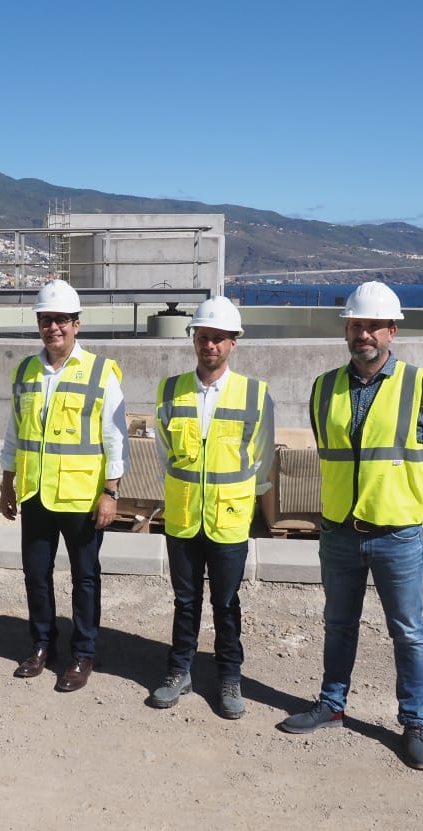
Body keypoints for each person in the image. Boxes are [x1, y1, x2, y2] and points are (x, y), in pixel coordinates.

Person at [277, 281, 423, 771]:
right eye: (356, 325)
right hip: (338, 532)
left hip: (396, 534)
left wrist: (408, 498)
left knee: (409, 633)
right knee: (338, 624)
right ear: (347, 331)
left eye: (373, 325)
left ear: (392, 331)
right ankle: (332, 705)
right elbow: (330, 451)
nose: (364, 334)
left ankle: (413, 723)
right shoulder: (324, 387)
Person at [0, 279, 128, 693]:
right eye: (45, 320)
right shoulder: (25, 371)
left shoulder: (100, 372)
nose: (52, 327)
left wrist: (110, 492)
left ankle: (83, 652)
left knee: (85, 577)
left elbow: (115, 436)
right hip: (36, 492)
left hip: (81, 496)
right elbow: (14, 432)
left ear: (76, 324)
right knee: (36, 575)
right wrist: (7, 482)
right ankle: (41, 646)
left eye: (60, 320)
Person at [148, 296, 274, 720]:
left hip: (229, 520)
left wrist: (242, 505)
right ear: (194, 340)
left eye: (219, 338)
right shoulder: (170, 390)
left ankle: (229, 677)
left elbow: (262, 461)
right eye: (204, 337)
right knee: (185, 601)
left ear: (233, 343)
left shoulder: (254, 395)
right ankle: (179, 670)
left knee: (226, 603)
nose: (210, 345)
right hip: (183, 516)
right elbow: (166, 452)